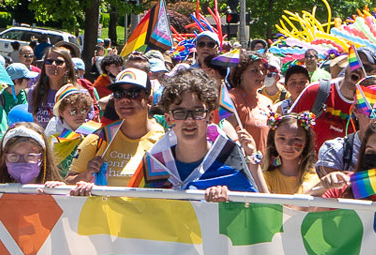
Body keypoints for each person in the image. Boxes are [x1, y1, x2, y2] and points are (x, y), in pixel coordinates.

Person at [122, 71, 259, 198]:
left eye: (197, 112)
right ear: (168, 119)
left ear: (210, 117)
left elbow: (254, 213)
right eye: (180, 113)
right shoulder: (155, 166)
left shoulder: (230, 160)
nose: (189, 120)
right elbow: (134, 213)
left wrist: (228, 205)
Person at [66, 68, 165, 187]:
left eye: (133, 93)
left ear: (149, 98)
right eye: (118, 93)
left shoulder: (163, 140)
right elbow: (67, 182)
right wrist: (87, 175)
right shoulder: (98, 138)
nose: (125, 99)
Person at [296, 48, 376, 150]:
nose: (358, 69)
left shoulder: (375, 106)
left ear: (374, 74)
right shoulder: (316, 91)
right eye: (354, 62)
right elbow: (290, 127)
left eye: (366, 68)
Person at [229, 52, 278, 157]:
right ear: (241, 74)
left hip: (266, 168)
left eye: (263, 70)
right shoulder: (231, 98)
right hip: (244, 165)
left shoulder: (268, 102)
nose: (261, 74)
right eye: (254, 70)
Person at [0, 123, 68, 185]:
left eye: (30, 156)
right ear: (4, 159)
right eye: (14, 157)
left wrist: (61, 193)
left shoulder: (56, 191)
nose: (21, 162)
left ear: (43, 158)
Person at [263, 114, 319, 195]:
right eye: (282, 138)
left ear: (306, 142)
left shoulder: (316, 178)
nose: (288, 145)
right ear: (273, 141)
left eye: (296, 139)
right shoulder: (266, 178)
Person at [44, 85, 97, 170]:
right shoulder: (54, 130)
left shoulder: (90, 128)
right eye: (73, 111)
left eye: (83, 110)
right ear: (61, 112)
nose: (80, 114)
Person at [29, 44, 83, 127]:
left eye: (59, 62)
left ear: (68, 68)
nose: (53, 64)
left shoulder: (78, 94)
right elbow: (35, 122)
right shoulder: (34, 91)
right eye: (49, 61)